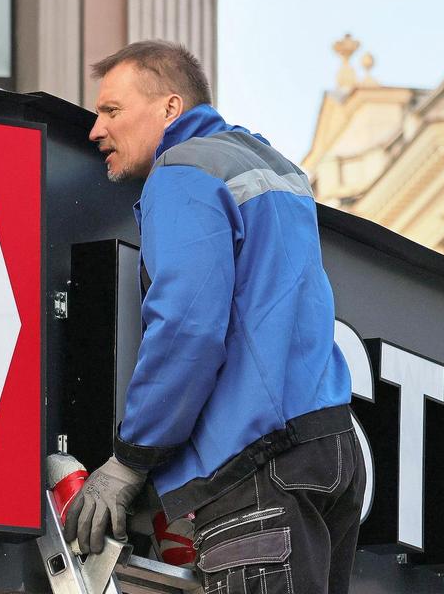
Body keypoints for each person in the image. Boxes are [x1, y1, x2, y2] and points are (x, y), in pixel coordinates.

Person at [65, 40, 364, 593]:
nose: (95, 130)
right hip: (330, 450)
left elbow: (187, 329)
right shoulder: (275, 168)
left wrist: (132, 460)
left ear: (170, 109)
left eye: (111, 111)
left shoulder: (182, 173)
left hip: (259, 466)